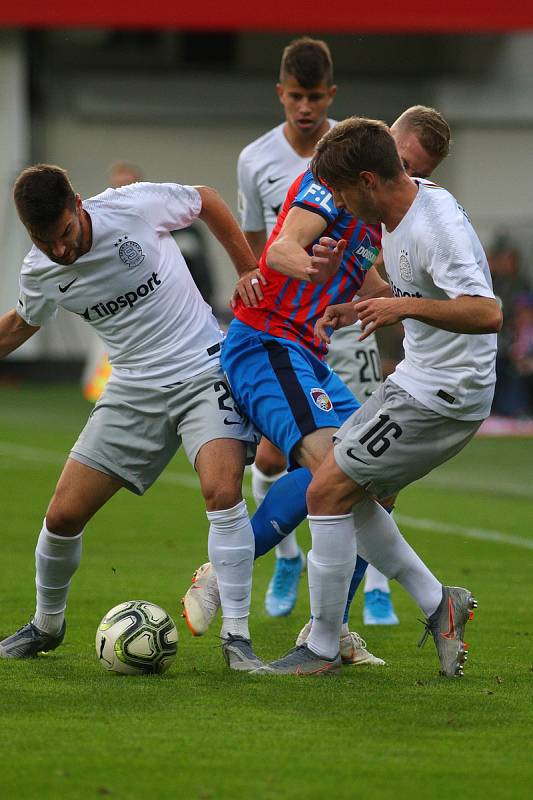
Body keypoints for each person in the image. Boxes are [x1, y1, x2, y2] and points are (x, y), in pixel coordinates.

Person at [255, 117, 501, 676]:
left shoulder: (435, 225)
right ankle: (441, 604)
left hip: (444, 394)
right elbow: (408, 289)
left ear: (367, 181)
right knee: (351, 494)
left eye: (341, 192)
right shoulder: (396, 209)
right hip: (420, 379)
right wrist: (357, 306)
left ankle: (321, 647)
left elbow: (488, 313)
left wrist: (400, 308)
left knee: (325, 492)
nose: (337, 203)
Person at [0, 164, 264, 672]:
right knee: (61, 517)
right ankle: (46, 625)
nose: (59, 251)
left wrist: (248, 269)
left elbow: (206, 197)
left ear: (78, 204)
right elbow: (20, 324)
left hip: (203, 368)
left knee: (222, 491)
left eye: (64, 235)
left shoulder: (131, 206)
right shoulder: (41, 270)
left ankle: (237, 639)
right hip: (132, 389)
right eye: (43, 241)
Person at [238, 46, 451, 626]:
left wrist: (408, 308)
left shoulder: (393, 198)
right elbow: (269, 246)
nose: (406, 180)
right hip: (279, 332)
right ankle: (261, 567)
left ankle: (354, 609)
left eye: (420, 173)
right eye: (403, 164)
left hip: (341, 331)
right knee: (300, 459)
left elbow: (375, 277)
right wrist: (289, 271)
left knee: (367, 475)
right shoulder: (310, 169)